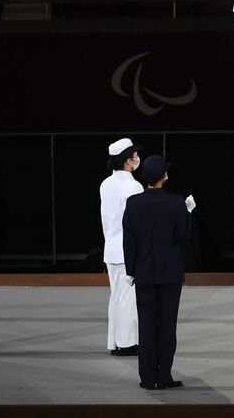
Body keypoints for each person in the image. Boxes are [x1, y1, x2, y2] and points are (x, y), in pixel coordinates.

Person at [122, 154, 195, 391]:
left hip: (143, 272)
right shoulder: (176, 202)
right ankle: (164, 377)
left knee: (146, 326)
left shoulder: (133, 203)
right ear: (164, 176)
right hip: (170, 273)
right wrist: (188, 213)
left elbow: (129, 241)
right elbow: (183, 236)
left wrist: (131, 269)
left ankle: (147, 378)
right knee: (166, 327)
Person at [100, 137, 144, 356]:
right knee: (127, 298)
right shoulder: (133, 185)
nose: (137, 159)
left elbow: (106, 220)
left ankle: (116, 341)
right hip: (127, 249)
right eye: (135, 155)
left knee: (116, 296)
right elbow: (137, 222)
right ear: (128, 160)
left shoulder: (105, 184)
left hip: (111, 248)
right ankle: (126, 343)